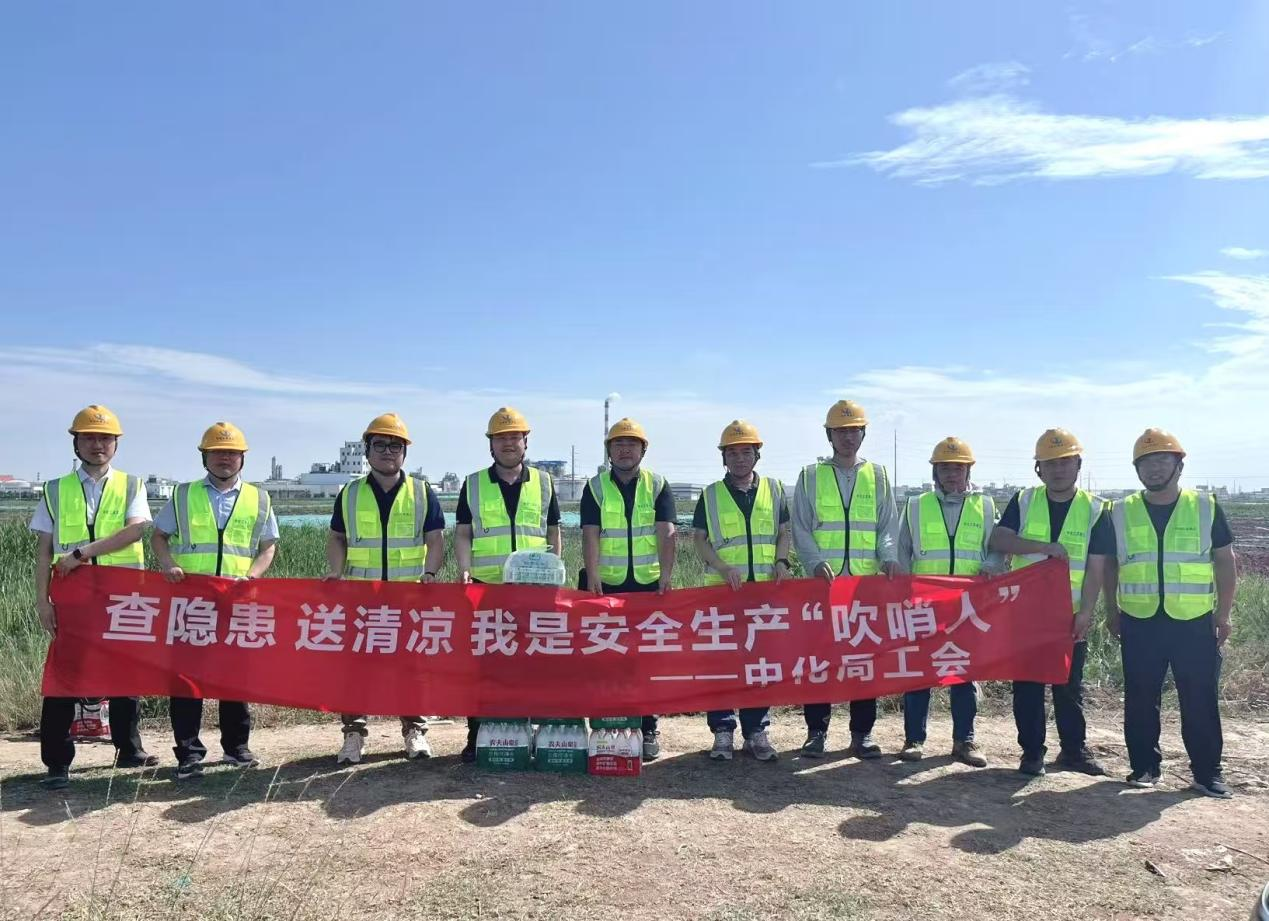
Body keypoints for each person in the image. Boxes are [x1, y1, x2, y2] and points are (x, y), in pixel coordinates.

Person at [1099, 428, 1237, 798]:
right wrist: (1111, 610)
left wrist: (1223, 614)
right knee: (1140, 697)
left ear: (1179, 465)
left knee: (1200, 698)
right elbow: (1110, 564)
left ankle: (1207, 773)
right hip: (1139, 619)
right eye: (1146, 462)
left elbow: (1225, 561)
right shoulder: (1120, 511)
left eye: (1162, 459)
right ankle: (1144, 766)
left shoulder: (1205, 507)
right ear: (1137, 469)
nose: (1154, 468)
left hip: (1193, 620)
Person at [32, 405, 156, 789]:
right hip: (73, 597)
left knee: (125, 673)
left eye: (105, 438)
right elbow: (43, 551)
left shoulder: (132, 485)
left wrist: (81, 554)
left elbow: (135, 531)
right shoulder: (55, 490)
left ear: (116, 444)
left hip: (123, 596)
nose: (97, 445)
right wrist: (42, 601)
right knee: (64, 676)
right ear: (76, 443)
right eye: (89, 437)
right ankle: (57, 761)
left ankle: (129, 749)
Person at [150, 422, 279, 779]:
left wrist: (252, 577)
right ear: (205, 456)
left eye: (232, 453)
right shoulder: (183, 495)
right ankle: (188, 753)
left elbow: (268, 547)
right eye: (218, 453)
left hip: (236, 602)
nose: (225, 459)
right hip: (191, 602)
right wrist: (168, 563)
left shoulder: (259, 499)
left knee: (234, 677)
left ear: (242, 459)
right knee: (186, 679)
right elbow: (159, 536)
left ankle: (236, 748)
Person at [324, 413, 445, 765]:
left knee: (411, 666)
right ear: (367, 450)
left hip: (409, 597)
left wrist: (430, 572)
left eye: (395, 445)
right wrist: (336, 571)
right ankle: (353, 734)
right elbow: (337, 538)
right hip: (362, 599)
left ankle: (414, 731)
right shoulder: (350, 493)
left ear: (405, 451)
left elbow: (436, 539)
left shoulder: (421, 492)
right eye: (380, 445)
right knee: (356, 669)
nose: (387, 451)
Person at [989, 428, 1110, 777]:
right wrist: (1043, 548)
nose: (1059, 470)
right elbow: (999, 539)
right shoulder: (1024, 500)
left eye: (1065, 462)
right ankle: (1031, 753)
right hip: (1025, 614)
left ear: (1078, 465)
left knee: (1069, 687)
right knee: (1027, 686)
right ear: (1039, 469)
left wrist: (1086, 612)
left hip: (1069, 616)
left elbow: (1097, 567)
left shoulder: (1095, 509)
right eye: (1050, 463)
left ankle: (1073, 750)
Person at [791, 399, 900, 759]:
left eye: (854, 431)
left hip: (864, 586)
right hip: (823, 585)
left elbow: (887, 525)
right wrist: (814, 562)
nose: (848, 437)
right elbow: (801, 527)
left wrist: (888, 557)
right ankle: (816, 732)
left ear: (863, 434)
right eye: (841, 431)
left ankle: (862, 734)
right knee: (820, 661)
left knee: (864, 661)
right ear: (830, 435)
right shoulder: (810, 475)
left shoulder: (878, 475)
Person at [454, 406, 562, 763]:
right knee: (485, 664)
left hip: (534, 590)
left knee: (534, 662)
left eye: (515, 437)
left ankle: (530, 732)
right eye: (501, 438)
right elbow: (463, 533)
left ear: (525, 442)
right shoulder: (473, 484)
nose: (508, 443)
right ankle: (478, 734)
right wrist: (465, 569)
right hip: (487, 588)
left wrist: (555, 571)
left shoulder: (544, 483)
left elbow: (552, 532)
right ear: (491, 445)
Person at [693, 420, 791, 762]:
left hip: (763, 595)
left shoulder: (774, 490)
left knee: (759, 663)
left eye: (745, 452)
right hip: (722, 594)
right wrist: (722, 567)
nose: (739, 458)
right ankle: (722, 731)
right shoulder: (710, 495)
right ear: (724, 458)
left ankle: (756, 731)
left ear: (756, 455)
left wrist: (782, 561)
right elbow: (699, 540)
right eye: (732, 453)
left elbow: (783, 532)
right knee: (721, 663)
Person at [581, 417, 676, 760]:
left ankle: (647, 727)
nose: (625, 450)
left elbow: (667, 531)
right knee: (606, 657)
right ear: (609, 451)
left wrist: (666, 574)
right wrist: (592, 574)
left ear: (643, 450)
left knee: (645, 660)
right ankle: (609, 726)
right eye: (618, 444)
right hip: (606, 585)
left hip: (647, 585)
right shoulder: (595, 487)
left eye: (632, 444)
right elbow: (590, 532)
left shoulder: (658, 484)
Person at [896, 437, 994, 767]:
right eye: (945, 469)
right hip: (925, 607)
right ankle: (914, 739)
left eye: (958, 468)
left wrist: (992, 565)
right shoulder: (915, 505)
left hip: (967, 608)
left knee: (964, 674)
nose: (952, 475)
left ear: (968, 471)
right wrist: (903, 596)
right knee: (920, 675)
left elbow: (994, 549)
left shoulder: (985, 506)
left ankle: (964, 740)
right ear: (935, 472)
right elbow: (903, 551)